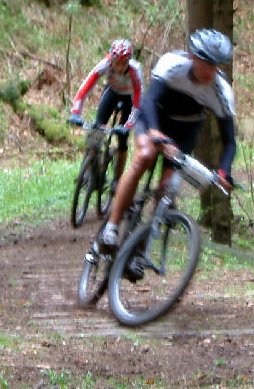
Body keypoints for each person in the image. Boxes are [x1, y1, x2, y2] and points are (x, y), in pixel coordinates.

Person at [99, 29, 236, 279]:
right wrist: (154, 132)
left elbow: (230, 141)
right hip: (155, 117)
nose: (209, 71)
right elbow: (149, 101)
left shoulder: (222, 91)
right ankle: (111, 227)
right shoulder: (173, 64)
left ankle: (139, 252)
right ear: (193, 56)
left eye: (215, 66)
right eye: (205, 62)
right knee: (144, 156)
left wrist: (225, 170)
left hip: (185, 131)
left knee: (167, 189)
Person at [68, 38, 143, 185]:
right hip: (112, 92)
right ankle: (88, 169)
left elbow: (137, 104)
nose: (120, 67)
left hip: (129, 98)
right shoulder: (105, 64)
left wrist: (127, 127)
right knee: (96, 128)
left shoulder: (135, 70)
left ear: (129, 61)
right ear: (111, 59)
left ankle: (117, 180)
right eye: (116, 63)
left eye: (124, 64)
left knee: (122, 139)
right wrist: (75, 113)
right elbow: (85, 88)